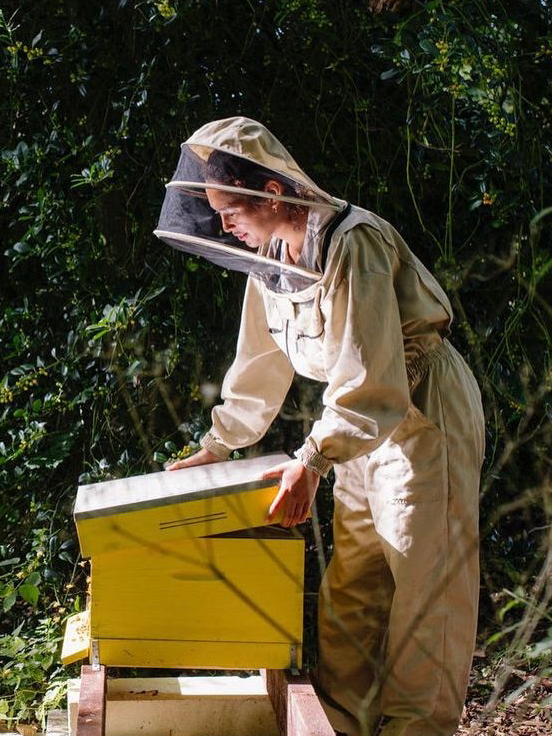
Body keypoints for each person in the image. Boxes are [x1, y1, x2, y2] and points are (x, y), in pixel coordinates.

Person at [155, 116, 485, 736]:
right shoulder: (269, 257)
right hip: (356, 428)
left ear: (273, 194)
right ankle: (341, 728)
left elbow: (374, 379)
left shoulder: (353, 242)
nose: (223, 225)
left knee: (425, 599)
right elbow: (257, 365)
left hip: (420, 417)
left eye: (231, 211)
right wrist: (218, 444)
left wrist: (310, 460)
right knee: (352, 594)